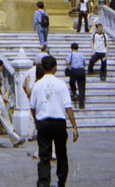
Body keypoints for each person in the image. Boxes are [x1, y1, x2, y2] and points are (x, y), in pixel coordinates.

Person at [30, 55, 79, 187]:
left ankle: (44, 182)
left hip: (43, 122)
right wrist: (74, 126)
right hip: (59, 123)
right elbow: (68, 107)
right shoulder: (61, 84)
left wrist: (36, 120)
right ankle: (61, 181)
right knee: (61, 154)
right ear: (55, 68)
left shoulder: (37, 85)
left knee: (44, 155)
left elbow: (32, 107)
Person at [66, 43, 87, 109]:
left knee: (71, 82)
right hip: (81, 71)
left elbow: (67, 62)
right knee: (81, 88)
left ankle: (74, 91)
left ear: (71, 48)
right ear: (78, 48)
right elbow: (85, 64)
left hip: (74, 70)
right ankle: (81, 104)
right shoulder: (81, 55)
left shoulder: (71, 54)